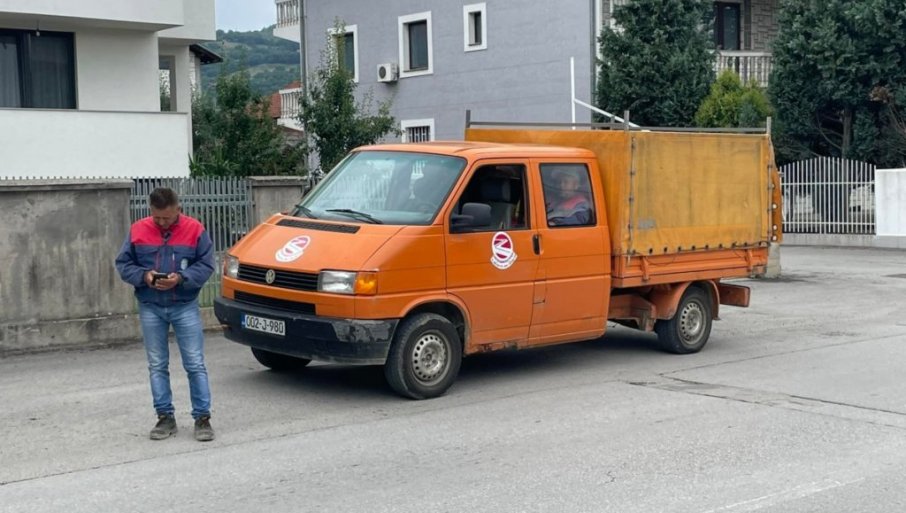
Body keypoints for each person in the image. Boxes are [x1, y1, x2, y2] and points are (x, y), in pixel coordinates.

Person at [115, 187, 216, 441]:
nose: (161, 223)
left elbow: (206, 264)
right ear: (150, 210)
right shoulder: (138, 230)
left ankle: (202, 418)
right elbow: (124, 264)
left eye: (167, 219)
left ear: (178, 210)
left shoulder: (195, 230)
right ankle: (164, 417)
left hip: (184, 304)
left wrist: (181, 278)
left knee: (194, 363)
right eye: (157, 217)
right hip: (150, 306)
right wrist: (144, 276)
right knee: (157, 365)